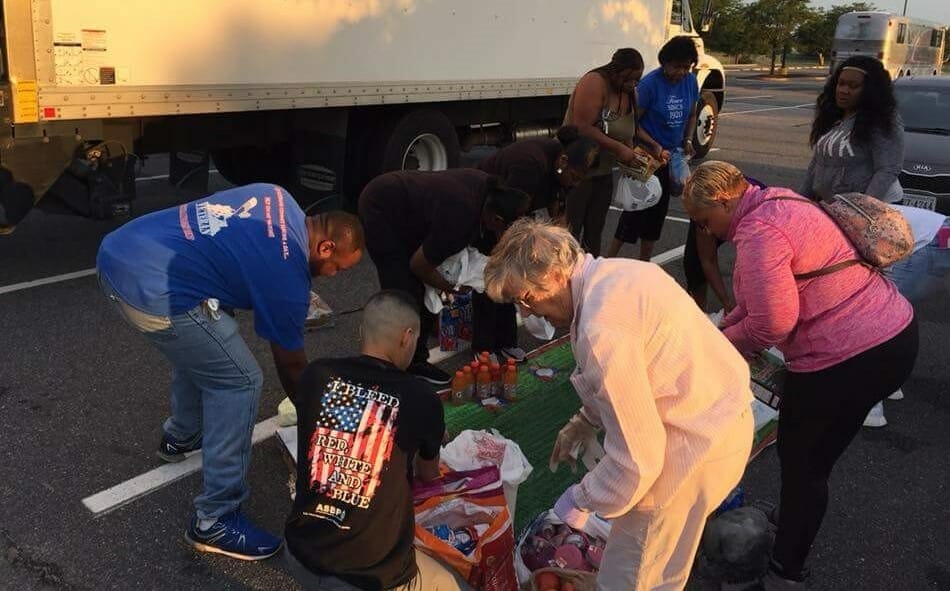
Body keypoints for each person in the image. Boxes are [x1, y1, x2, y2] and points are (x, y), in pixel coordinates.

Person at [96, 183, 365, 560]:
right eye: (338, 267)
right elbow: (291, 365)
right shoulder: (287, 276)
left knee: (211, 342)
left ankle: (182, 436)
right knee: (240, 380)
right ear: (325, 248)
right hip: (151, 289)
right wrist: (317, 422)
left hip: (119, 251)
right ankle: (215, 518)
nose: (334, 275)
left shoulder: (278, 196)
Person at [683, 161, 918, 590]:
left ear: (724, 200)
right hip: (894, 333)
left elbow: (773, 325)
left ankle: (786, 569)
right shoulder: (778, 199)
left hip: (849, 354)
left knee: (801, 459)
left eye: (705, 220)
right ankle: (794, 517)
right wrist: (720, 328)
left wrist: (719, 343)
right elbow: (755, 304)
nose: (707, 231)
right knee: (816, 455)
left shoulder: (758, 234)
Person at [483, 219, 754, 591]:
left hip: (693, 447)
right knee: (659, 561)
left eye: (526, 298)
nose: (527, 313)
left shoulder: (600, 329)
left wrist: (580, 499)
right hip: (720, 419)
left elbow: (638, 460)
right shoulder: (618, 273)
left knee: (636, 575)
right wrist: (584, 418)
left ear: (555, 275)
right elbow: (641, 374)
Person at [283, 290, 467, 591]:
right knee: (452, 584)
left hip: (300, 551)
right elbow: (428, 475)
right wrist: (430, 432)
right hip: (370, 576)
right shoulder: (420, 397)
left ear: (360, 331)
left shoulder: (317, 375)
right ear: (407, 338)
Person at [358, 169, 530, 384]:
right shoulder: (460, 219)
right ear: (496, 219)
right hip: (383, 209)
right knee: (406, 293)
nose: (504, 237)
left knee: (429, 288)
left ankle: (412, 357)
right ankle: (397, 367)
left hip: (409, 206)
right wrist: (452, 287)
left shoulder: (488, 192)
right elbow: (420, 266)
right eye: (506, 230)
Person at [474, 125, 600, 360]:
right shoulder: (529, 165)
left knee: (517, 282)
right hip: (494, 215)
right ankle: (483, 347)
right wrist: (526, 250)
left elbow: (558, 220)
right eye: (574, 177)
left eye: (580, 180)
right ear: (563, 161)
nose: (575, 184)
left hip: (521, 218)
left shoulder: (563, 173)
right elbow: (510, 220)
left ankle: (506, 341)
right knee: (495, 280)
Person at [608, 36, 699, 260]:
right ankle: (609, 259)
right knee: (635, 211)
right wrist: (655, 145)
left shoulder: (690, 82)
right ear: (664, 62)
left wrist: (688, 140)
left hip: (672, 156)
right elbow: (633, 124)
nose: (681, 72)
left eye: (686, 67)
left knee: (658, 212)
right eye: (677, 66)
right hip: (647, 156)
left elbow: (692, 113)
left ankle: (645, 262)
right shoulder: (649, 85)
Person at [862, 204, 949, 426]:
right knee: (895, 318)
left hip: (930, 244)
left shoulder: (831, 228)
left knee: (876, 322)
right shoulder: (849, 209)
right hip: (940, 234)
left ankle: (870, 404)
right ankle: (889, 383)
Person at [563, 48, 644, 256]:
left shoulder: (629, 93)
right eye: (629, 79)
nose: (633, 84)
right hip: (578, 171)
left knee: (595, 230)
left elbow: (627, 129)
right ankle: (563, 279)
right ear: (616, 72)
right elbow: (582, 127)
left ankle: (590, 277)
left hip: (603, 171)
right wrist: (619, 149)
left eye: (637, 80)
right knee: (569, 231)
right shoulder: (595, 82)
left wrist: (631, 154)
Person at [800, 56, 904, 204]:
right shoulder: (833, 116)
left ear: (870, 90)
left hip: (876, 207)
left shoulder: (881, 120)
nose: (844, 90)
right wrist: (801, 201)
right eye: (840, 84)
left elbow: (887, 169)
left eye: (853, 86)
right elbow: (817, 163)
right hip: (835, 205)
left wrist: (862, 207)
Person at [684, 176, 766, 312]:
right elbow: (707, 260)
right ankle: (698, 311)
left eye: (706, 222)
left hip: (754, 214)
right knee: (694, 264)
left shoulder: (758, 222)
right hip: (716, 199)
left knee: (757, 273)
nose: (708, 231)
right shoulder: (704, 213)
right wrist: (726, 303)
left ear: (724, 204)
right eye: (701, 223)